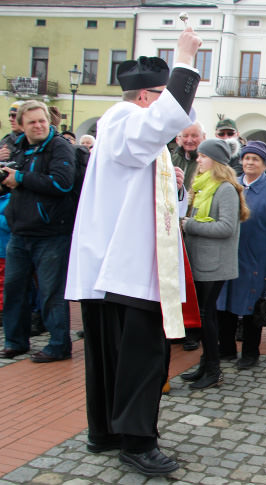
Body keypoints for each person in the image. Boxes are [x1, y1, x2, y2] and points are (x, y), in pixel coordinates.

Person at [65, 26, 202, 476]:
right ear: (145, 97)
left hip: (115, 265)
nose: (169, 106)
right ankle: (138, 443)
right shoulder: (122, 121)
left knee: (109, 357)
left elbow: (148, 196)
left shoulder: (129, 133)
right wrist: (184, 58)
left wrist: (176, 190)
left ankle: (106, 432)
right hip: (127, 268)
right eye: (161, 95)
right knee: (143, 359)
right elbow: (167, 119)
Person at [0, 100, 76, 363]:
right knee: (14, 289)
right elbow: (11, 181)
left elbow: (62, 183)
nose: (39, 125)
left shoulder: (60, 147)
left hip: (51, 233)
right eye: (32, 122)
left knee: (51, 292)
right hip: (20, 231)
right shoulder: (19, 147)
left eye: (42, 120)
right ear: (22, 125)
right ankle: (16, 341)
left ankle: (59, 344)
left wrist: (20, 179)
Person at [180, 139, 248, 390]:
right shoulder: (203, 186)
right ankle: (205, 364)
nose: (198, 160)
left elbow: (226, 228)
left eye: (203, 156)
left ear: (216, 161)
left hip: (214, 265)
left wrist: (190, 225)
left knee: (208, 318)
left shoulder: (225, 189)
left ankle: (213, 370)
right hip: (201, 262)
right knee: (204, 317)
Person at [217, 140, 266, 370]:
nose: (249, 162)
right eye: (246, 157)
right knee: (224, 304)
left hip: (256, 260)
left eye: (255, 159)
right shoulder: (231, 185)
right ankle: (226, 348)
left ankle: (250, 352)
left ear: (264, 164)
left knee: (251, 309)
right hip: (229, 256)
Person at [172, 121, 205, 190]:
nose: (189, 140)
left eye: (194, 136)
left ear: (204, 137)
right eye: (185, 136)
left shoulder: (207, 162)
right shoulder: (174, 159)